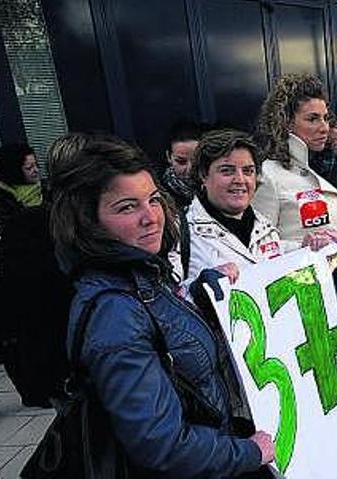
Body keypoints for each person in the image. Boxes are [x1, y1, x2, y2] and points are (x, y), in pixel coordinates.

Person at [49, 134, 275, 477]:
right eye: (127, 207)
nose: (150, 217)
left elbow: (170, 344)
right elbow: (162, 444)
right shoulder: (115, 313)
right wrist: (247, 453)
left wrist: (198, 298)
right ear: (88, 221)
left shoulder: (145, 275)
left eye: (153, 200)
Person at [0, 135, 85, 408]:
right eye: (28, 167)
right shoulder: (5, 207)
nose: (35, 172)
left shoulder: (51, 198)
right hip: (38, 305)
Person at [252, 73, 337, 251]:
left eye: (326, 118)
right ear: (286, 122)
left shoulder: (331, 166)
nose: (324, 128)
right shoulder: (267, 175)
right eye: (312, 119)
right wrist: (303, 247)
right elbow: (258, 246)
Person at [185, 130, 282, 279]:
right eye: (227, 171)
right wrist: (197, 289)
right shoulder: (182, 233)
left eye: (248, 171)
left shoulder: (266, 229)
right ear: (203, 175)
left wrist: (308, 247)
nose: (240, 179)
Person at [0, 143, 44, 235]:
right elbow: (6, 231)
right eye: (29, 168)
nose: (36, 170)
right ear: (14, 172)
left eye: (36, 165)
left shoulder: (47, 187)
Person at [162, 120, 202, 210]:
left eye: (196, 161)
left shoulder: (216, 187)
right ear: (168, 157)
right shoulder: (159, 196)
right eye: (181, 162)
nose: (190, 169)